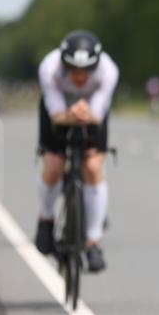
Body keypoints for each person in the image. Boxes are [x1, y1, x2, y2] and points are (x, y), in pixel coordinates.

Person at [34, 30, 119, 273]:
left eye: (86, 72)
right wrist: (68, 115)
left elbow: (99, 109)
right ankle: (46, 219)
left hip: (92, 111)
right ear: (63, 64)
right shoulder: (49, 69)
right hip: (59, 109)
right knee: (53, 166)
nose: (80, 77)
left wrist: (88, 115)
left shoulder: (108, 70)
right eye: (74, 70)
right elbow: (55, 110)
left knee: (92, 167)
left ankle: (93, 242)